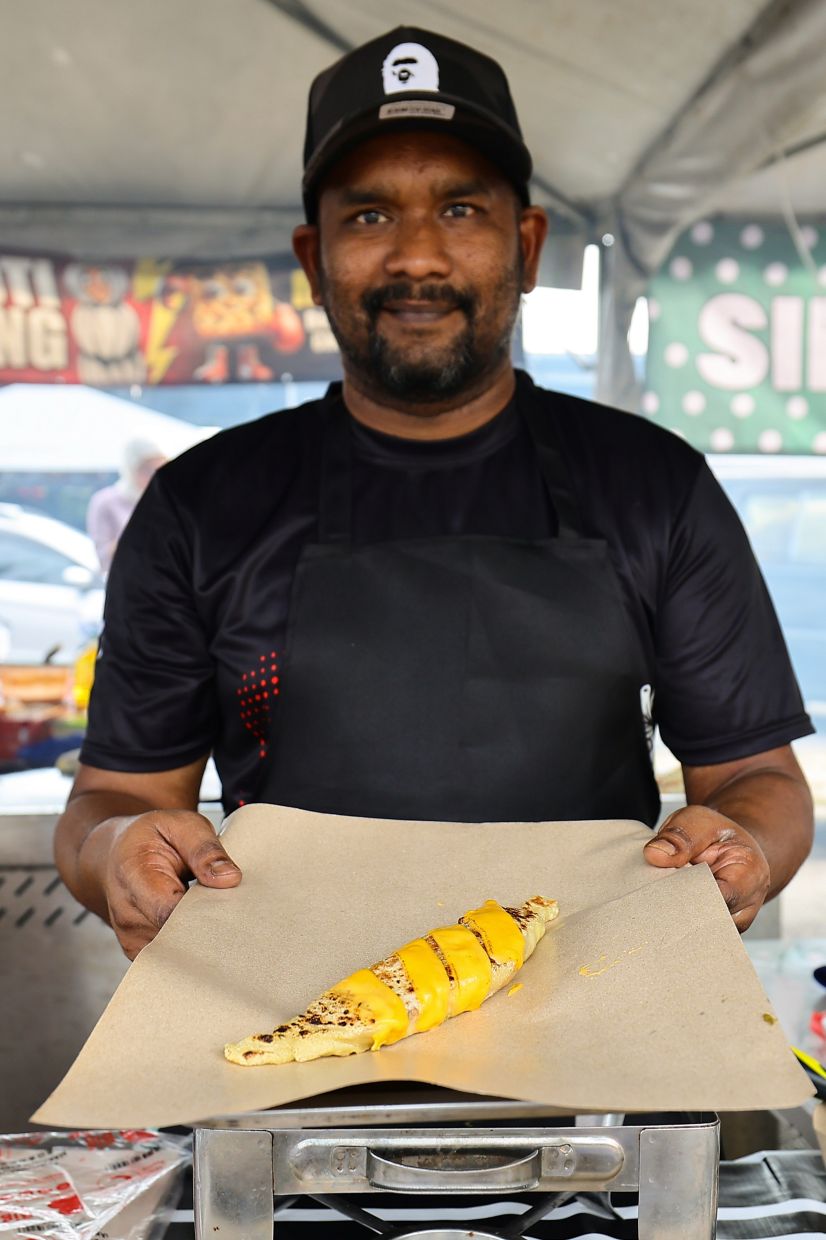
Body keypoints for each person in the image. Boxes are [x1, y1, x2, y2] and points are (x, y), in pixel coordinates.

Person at [55, 27, 814, 960]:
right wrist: (112, 853)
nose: (417, 256)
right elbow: (116, 798)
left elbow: (756, 776)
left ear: (528, 246)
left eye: (460, 209)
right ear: (311, 256)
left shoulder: (655, 485)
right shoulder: (200, 505)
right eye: (369, 216)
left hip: (602, 1009)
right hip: (281, 1022)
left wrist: (744, 843)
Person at [85, 438, 167, 572]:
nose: (155, 476)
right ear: (132, 470)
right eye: (148, 469)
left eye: (162, 468)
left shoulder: (167, 501)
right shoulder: (106, 501)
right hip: (130, 583)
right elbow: (104, 558)